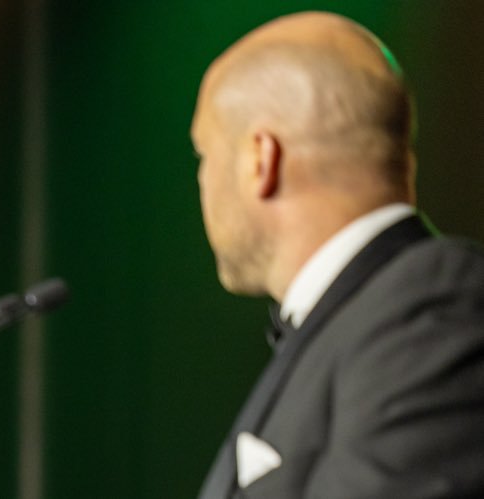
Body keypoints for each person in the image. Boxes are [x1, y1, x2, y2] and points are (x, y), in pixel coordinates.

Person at [190, 11, 484, 498]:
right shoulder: (370, 322)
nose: (201, 182)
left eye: (204, 155)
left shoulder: (433, 305)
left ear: (261, 159)